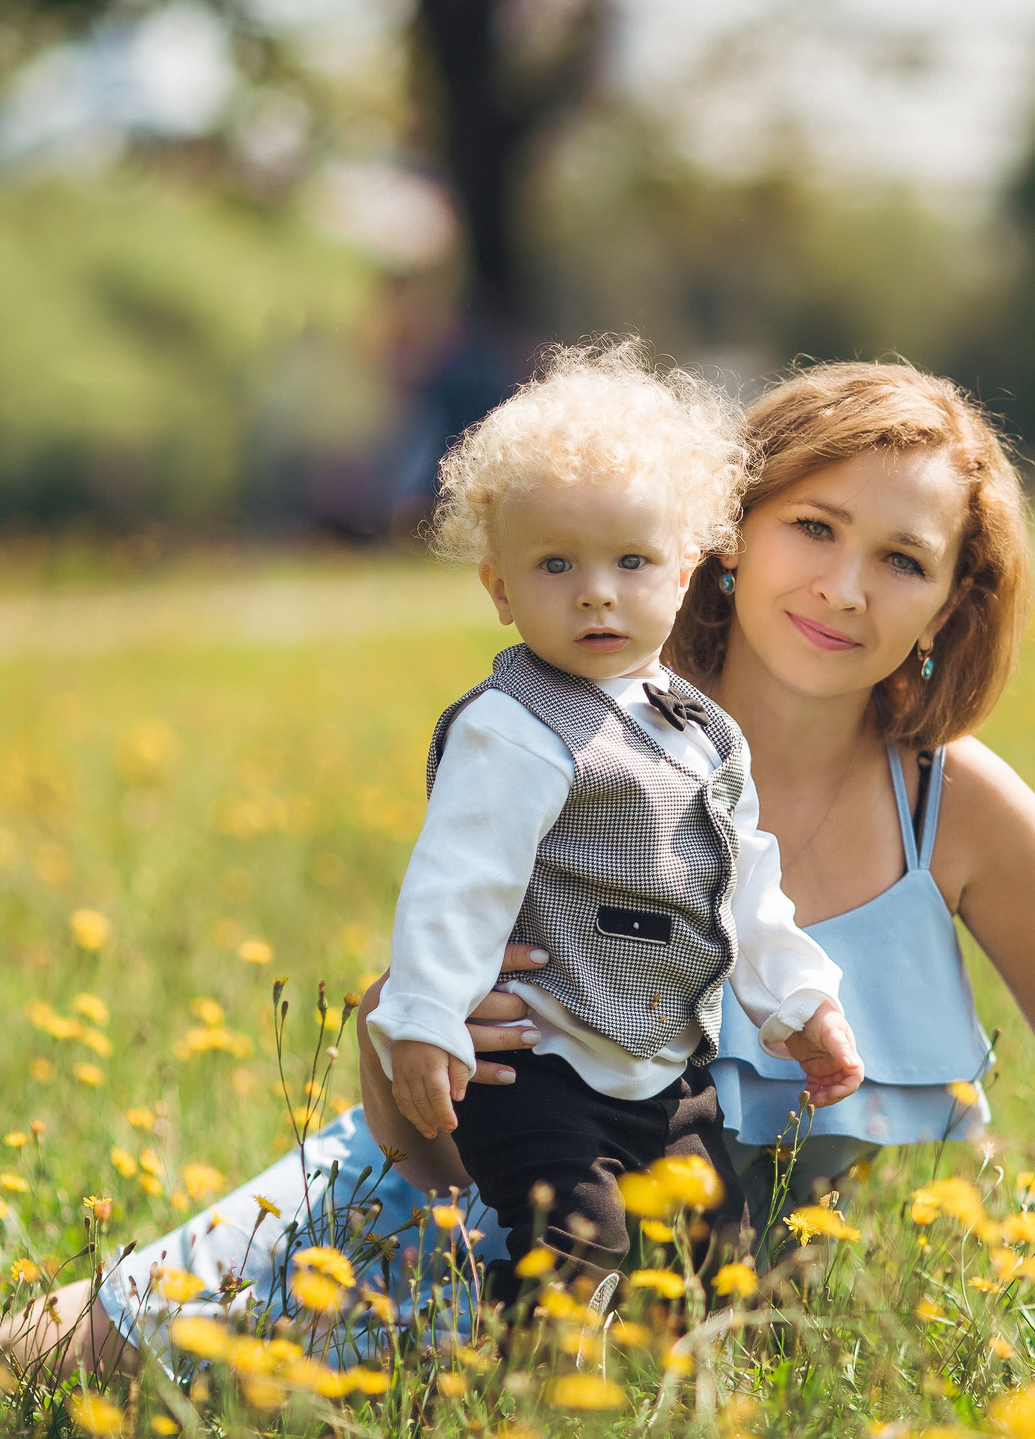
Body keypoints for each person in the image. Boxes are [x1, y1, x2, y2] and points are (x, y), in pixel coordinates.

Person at [0, 360, 1035, 1381]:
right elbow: (414, 1061)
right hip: (415, 1210)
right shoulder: (580, 730)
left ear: (949, 605)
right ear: (724, 535)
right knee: (16, 1369)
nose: (845, 587)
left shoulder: (958, 810)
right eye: (812, 525)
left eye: (903, 560)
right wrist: (408, 1030)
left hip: (669, 1333)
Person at [367, 343, 863, 1306]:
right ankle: (529, 1397)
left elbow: (739, 884)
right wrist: (425, 1021)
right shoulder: (512, 728)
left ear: (684, 573)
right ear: (500, 588)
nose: (596, 590)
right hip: (544, 1068)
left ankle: (699, 1399)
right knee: (573, 1240)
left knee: (718, 1260)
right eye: (556, 564)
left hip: (668, 1070)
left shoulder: (701, 729)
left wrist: (800, 1000)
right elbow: (456, 882)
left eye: (631, 561)